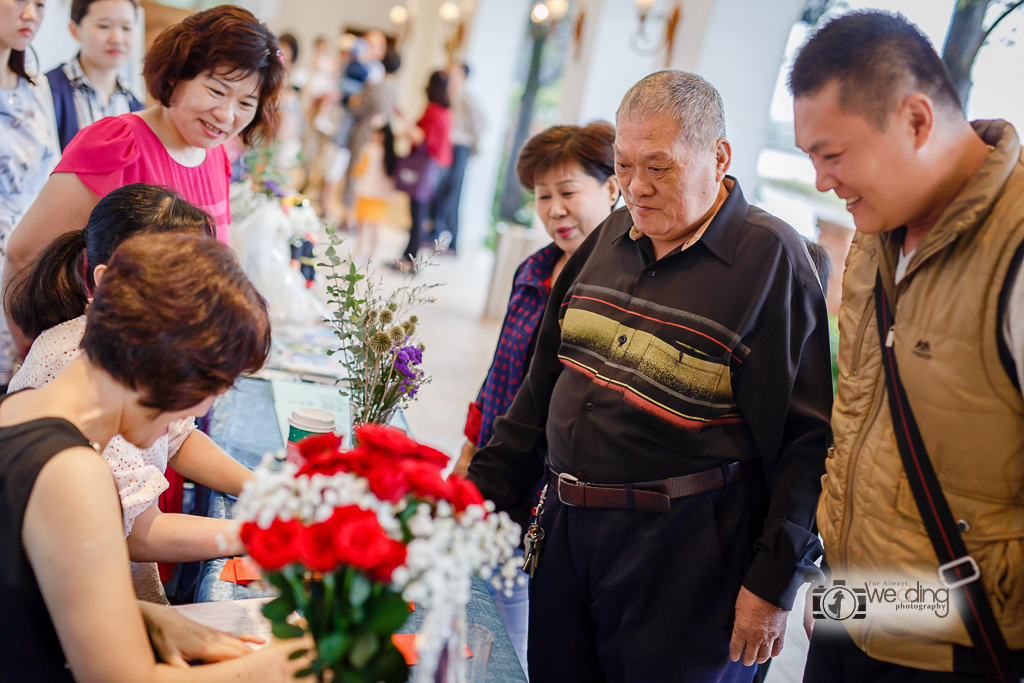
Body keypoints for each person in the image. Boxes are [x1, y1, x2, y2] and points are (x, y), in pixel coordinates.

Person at [467, 70, 834, 683]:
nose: (635, 188)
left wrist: (772, 584)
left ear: (718, 158)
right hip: (565, 536)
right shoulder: (610, 234)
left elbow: (806, 443)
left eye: (658, 168)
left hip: (685, 562)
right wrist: (475, 506)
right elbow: (539, 391)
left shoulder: (772, 261)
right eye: (625, 165)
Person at [790, 11, 1024, 682]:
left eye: (831, 155)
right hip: (854, 612)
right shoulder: (874, 235)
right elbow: (860, 421)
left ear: (917, 121)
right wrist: (841, 599)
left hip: (967, 642)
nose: (821, 182)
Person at [0, 232, 312, 680]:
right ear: (175, 373)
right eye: (213, 392)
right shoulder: (72, 472)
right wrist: (287, 664)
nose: (201, 412)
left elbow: (28, 591)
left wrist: (144, 616)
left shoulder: (24, 403)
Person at [5, 183, 253, 594]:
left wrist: (260, 489)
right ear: (111, 282)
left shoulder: (124, 363)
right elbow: (136, 535)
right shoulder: (73, 451)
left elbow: (177, 435)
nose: (208, 400)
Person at [5, 4, 286, 359]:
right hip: (102, 366)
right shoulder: (116, 143)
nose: (227, 115)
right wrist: (35, 355)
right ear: (176, 75)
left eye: (246, 102)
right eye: (216, 91)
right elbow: (25, 255)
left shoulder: (215, 156)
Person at [454, 121, 619, 671]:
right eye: (543, 197)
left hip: (551, 483)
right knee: (482, 598)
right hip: (501, 458)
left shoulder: (616, 286)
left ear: (613, 189)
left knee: (520, 613)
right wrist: (472, 444)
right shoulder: (534, 268)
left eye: (569, 192)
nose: (554, 210)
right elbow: (502, 368)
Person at [0, 0, 59, 384]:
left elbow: (51, 175)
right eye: (19, 0)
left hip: (27, 257)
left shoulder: (35, 85)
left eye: (39, 4)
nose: (31, 14)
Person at [46, 0, 144, 152]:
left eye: (126, 28)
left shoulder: (136, 106)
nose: (117, 39)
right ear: (74, 30)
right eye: (104, 26)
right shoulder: (47, 90)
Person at [338, 48, 401, 229]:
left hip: (365, 134)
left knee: (355, 172)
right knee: (372, 176)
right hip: (383, 140)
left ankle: (349, 216)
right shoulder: (395, 92)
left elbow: (359, 110)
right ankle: (363, 218)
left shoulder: (373, 87)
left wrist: (353, 101)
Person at [427, 63, 484, 255]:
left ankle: (453, 244)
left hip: (460, 148)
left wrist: (472, 151)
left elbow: (480, 125)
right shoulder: (445, 96)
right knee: (438, 190)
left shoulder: (467, 100)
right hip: (446, 148)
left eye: (455, 73)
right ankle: (434, 234)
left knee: (454, 194)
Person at [397, 70, 452, 266]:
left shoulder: (433, 110)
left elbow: (422, 138)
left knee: (418, 214)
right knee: (421, 214)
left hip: (426, 166)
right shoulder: (445, 111)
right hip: (437, 168)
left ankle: (409, 260)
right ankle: (408, 257)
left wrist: (404, 123)